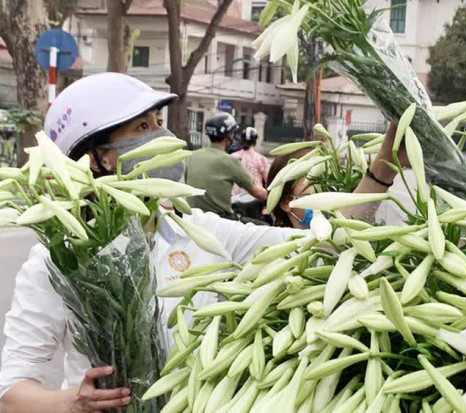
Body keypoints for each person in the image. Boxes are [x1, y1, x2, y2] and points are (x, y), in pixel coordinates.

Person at [0, 72, 401, 412]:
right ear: (101, 158)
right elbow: (11, 391)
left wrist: (381, 172)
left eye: (158, 122)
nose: (165, 137)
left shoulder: (198, 229)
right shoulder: (60, 261)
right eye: (143, 127)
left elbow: (321, 243)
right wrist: (72, 402)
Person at [186, 113, 267, 220]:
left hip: (193, 216)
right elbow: (256, 192)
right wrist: (276, 197)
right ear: (229, 135)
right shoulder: (231, 160)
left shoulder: (192, 156)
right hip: (221, 219)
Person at [231, 127, 269, 198]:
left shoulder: (233, 157)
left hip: (235, 198)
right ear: (255, 141)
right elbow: (268, 181)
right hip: (255, 199)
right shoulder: (261, 159)